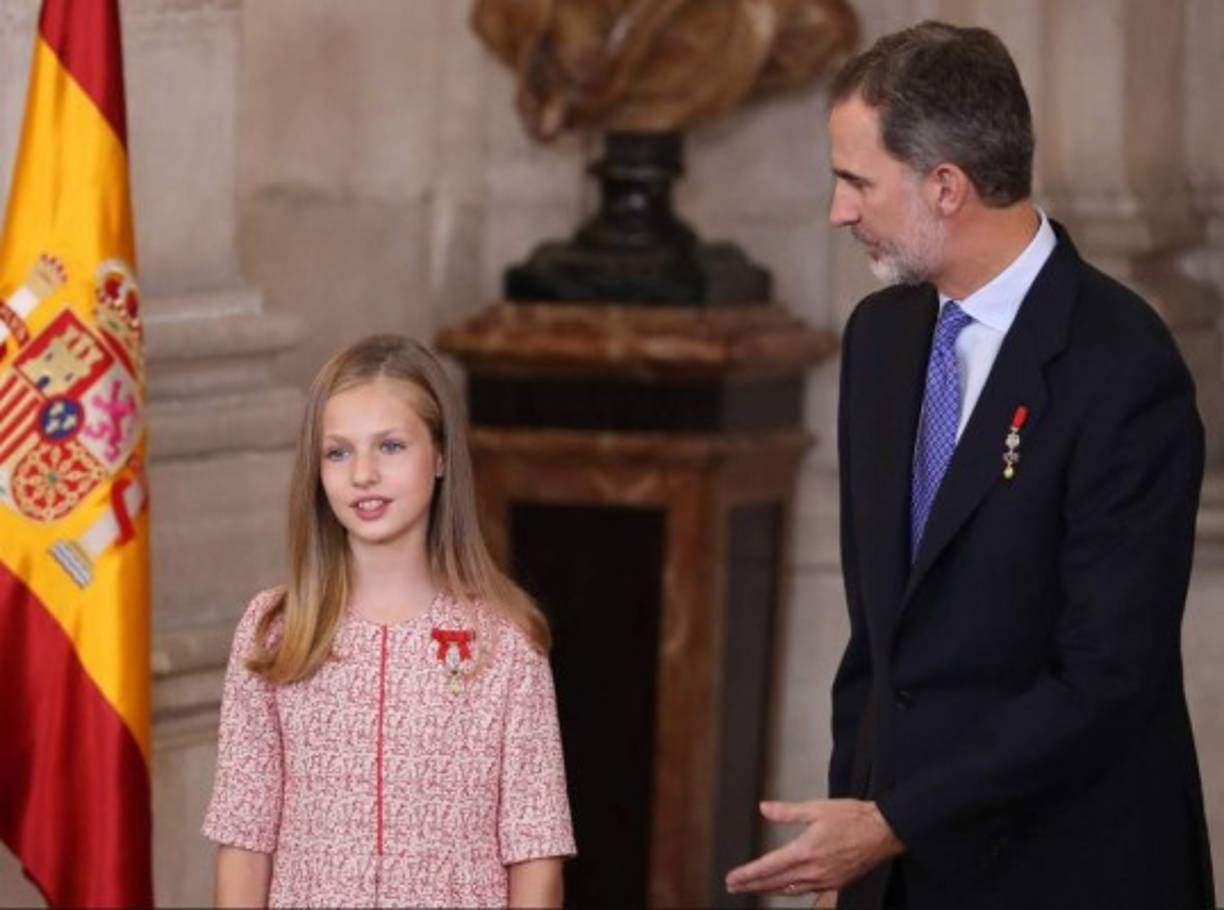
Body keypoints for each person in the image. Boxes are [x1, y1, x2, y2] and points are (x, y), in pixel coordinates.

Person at [726, 21, 1214, 910]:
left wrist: (892, 820)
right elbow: (878, 641)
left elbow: (1106, 679)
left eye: (855, 181)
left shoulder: (1122, 364)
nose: (839, 211)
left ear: (945, 186)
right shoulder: (880, 337)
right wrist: (857, 838)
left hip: (1066, 870)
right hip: (898, 871)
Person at [202, 335, 575, 908]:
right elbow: (244, 841)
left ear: (442, 454)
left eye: (392, 446)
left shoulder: (504, 642)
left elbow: (536, 851)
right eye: (338, 452)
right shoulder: (275, 630)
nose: (364, 474)